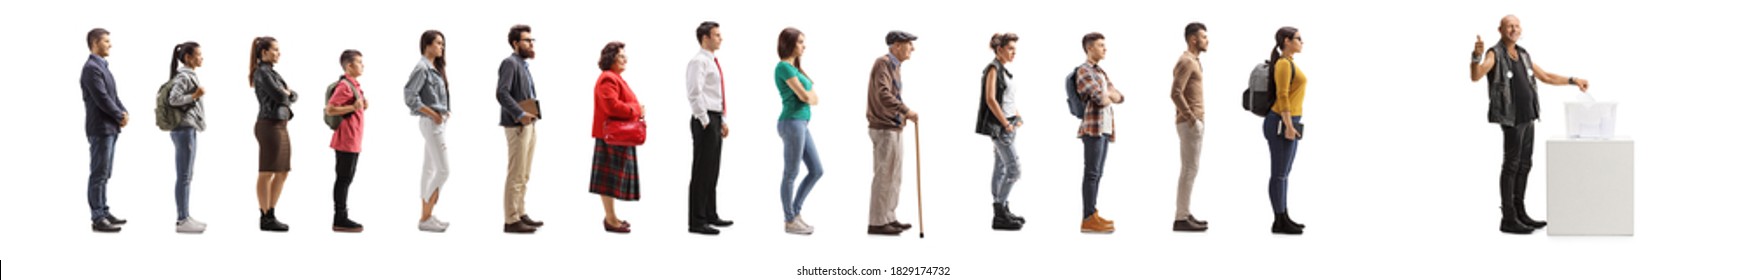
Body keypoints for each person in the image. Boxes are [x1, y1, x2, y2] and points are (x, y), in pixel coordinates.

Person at [1469, 15, 1591, 234]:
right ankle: (1508, 218)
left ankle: (1520, 212)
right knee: (1511, 165)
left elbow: (1546, 77)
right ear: (1500, 30)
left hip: (1529, 116)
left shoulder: (1523, 54)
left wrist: (1573, 80)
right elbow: (1476, 75)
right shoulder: (1494, 54)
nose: (1514, 29)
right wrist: (1476, 56)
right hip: (1511, 118)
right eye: (1509, 26)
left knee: (1525, 165)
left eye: (1517, 26)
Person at [865, 30, 920, 236]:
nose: (912, 48)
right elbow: (883, 93)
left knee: (894, 175)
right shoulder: (883, 63)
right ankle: (877, 222)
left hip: (894, 126)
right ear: (896, 46)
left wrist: (902, 115)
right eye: (908, 44)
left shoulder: (895, 67)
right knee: (884, 175)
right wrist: (906, 110)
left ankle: (889, 216)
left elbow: (891, 95)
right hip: (883, 127)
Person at [686, 21, 733, 235]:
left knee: (712, 169)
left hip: (714, 118)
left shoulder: (713, 61)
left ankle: (710, 215)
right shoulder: (698, 61)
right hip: (704, 119)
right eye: (716, 35)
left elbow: (716, 95)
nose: (720, 38)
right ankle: (697, 221)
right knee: (701, 171)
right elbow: (694, 92)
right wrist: (705, 121)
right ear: (705, 37)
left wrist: (721, 120)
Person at [774, 27, 822, 235]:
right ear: (790, 43)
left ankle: (795, 213)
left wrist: (810, 96)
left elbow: (815, 98)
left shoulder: (796, 69)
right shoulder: (783, 67)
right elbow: (806, 97)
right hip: (791, 122)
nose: (804, 46)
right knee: (791, 173)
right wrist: (808, 96)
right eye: (800, 42)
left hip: (801, 123)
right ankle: (789, 219)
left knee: (817, 170)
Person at [1075, 32, 1125, 234]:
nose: (1105, 48)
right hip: (1093, 129)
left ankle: (1093, 213)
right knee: (1092, 173)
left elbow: (1120, 96)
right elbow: (1100, 98)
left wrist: (1109, 95)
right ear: (1089, 48)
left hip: (1105, 128)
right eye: (1101, 45)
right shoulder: (1083, 71)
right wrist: (1108, 95)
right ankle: (1087, 218)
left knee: (1098, 173)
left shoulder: (1101, 72)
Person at [591, 41, 642, 234]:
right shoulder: (608, 79)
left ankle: (612, 217)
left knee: (611, 178)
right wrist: (637, 109)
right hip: (611, 135)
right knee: (608, 179)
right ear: (611, 59)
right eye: (621, 56)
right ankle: (610, 219)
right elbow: (611, 106)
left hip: (617, 134)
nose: (625, 58)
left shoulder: (614, 77)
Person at [975, 32, 1025, 231]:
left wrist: (1017, 115)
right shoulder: (993, 69)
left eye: (1015, 49)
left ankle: (1002, 208)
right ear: (999, 49)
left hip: (1011, 124)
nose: (1014, 52)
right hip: (1002, 128)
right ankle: (999, 213)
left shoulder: (1003, 69)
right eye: (1011, 49)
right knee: (1014, 170)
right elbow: (990, 99)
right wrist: (1005, 123)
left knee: (1001, 168)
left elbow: (1006, 99)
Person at [498, 24, 544, 234]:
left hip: (529, 124)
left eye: (532, 40)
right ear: (516, 43)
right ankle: (511, 219)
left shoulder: (523, 65)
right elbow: (502, 93)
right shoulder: (509, 63)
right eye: (527, 40)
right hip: (517, 125)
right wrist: (519, 114)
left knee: (524, 173)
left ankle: (521, 212)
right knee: (516, 173)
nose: (531, 44)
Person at [81, 28, 128, 233]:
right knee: (98, 173)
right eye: (106, 41)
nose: (110, 44)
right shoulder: (91, 68)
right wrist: (119, 115)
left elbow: (113, 95)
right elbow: (102, 98)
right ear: (94, 42)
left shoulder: (103, 67)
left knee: (105, 172)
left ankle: (104, 210)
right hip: (100, 128)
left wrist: (123, 111)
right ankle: (98, 216)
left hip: (110, 127)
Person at [406, 30, 452, 233]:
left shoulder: (433, 67)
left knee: (430, 170)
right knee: (444, 170)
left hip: (437, 123)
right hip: (431, 124)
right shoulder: (422, 67)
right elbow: (410, 97)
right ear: (427, 45)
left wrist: (443, 111)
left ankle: (426, 216)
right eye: (438, 43)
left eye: (443, 44)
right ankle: (426, 216)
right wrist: (433, 113)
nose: (441, 47)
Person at [250, 36, 296, 232]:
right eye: (275, 50)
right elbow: (280, 96)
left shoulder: (273, 73)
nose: (279, 53)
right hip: (269, 125)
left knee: (283, 172)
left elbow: (291, 95)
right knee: (267, 171)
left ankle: (271, 212)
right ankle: (265, 216)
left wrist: (288, 94)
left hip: (280, 125)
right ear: (264, 53)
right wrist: (287, 93)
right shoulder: (262, 73)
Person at [1265, 27, 1308, 235]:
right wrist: (1289, 125)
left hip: (1289, 120)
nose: (1302, 42)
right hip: (1281, 122)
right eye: (1299, 39)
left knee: (1284, 173)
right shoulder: (1283, 64)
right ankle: (1279, 220)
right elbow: (1282, 96)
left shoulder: (1290, 63)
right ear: (1287, 41)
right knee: (1279, 174)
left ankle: (1284, 215)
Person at [1171, 22, 1211, 232]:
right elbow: (1175, 92)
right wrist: (1191, 119)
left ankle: (1185, 213)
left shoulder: (1194, 60)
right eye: (1204, 37)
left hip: (1193, 122)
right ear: (1193, 39)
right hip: (1189, 123)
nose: (1208, 40)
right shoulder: (1186, 61)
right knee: (1188, 169)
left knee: (1191, 169)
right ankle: (1181, 218)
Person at [165, 41, 208, 233]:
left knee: (186, 175)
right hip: (184, 129)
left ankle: (185, 216)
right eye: (198, 54)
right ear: (188, 58)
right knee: (184, 175)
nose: (202, 58)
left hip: (187, 129)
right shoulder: (183, 76)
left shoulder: (188, 75)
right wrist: (195, 95)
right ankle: (182, 220)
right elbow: (173, 99)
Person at [325, 49, 368, 233]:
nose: (363, 65)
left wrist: (360, 105)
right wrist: (353, 106)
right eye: (359, 62)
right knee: (343, 179)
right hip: (346, 139)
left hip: (353, 139)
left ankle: (341, 216)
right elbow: (330, 109)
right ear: (349, 66)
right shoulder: (345, 85)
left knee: (346, 178)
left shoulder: (354, 85)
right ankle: (340, 218)